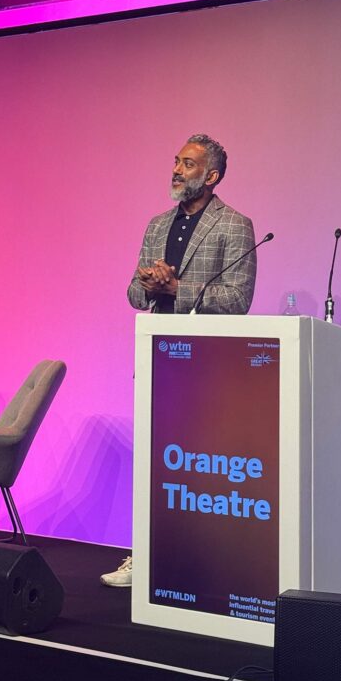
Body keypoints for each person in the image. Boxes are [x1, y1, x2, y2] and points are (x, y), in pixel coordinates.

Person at [101, 134, 257, 587]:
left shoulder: (234, 225)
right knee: (153, 462)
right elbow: (133, 294)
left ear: (210, 177)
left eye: (187, 164)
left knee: (201, 469)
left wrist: (177, 290)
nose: (176, 169)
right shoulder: (156, 225)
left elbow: (239, 300)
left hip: (209, 367)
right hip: (157, 358)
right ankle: (145, 556)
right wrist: (151, 285)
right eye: (175, 161)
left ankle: (202, 560)